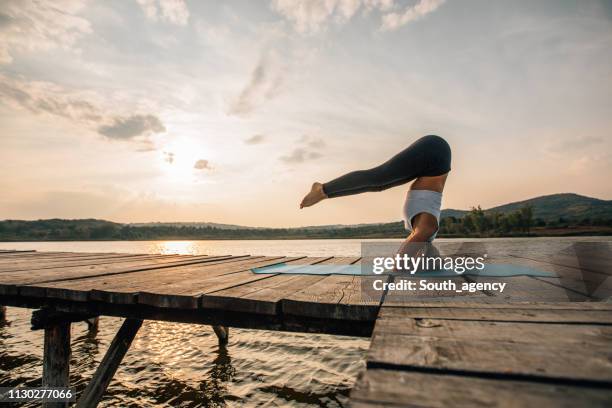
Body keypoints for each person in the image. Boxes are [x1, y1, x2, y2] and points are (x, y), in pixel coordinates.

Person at [300, 135, 451, 249]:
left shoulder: (424, 231)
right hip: (435, 155)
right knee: (378, 178)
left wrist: (402, 267)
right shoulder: (427, 230)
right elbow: (406, 258)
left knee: (378, 183)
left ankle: (324, 192)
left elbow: (405, 258)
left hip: (433, 164)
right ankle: (323, 190)